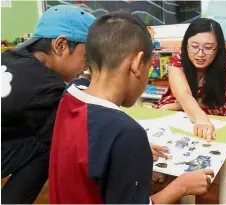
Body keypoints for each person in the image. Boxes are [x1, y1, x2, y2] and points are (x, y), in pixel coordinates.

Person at [49, 11, 214, 204]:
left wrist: (126, 150)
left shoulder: (71, 93)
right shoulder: (126, 133)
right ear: (137, 63)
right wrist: (181, 187)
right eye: (149, 66)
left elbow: (90, 145)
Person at [1, 5, 95, 204]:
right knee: (54, 141)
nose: (86, 66)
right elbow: (73, 140)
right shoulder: (44, 86)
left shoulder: (9, 57)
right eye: (86, 57)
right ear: (60, 45)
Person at [156, 18, 226, 141]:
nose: (200, 54)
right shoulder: (177, 62)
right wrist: (199, 116)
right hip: (181, 100)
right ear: (186, 45)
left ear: (218, 47)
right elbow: (184, 95)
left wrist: (177, 106)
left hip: (213, 102)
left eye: (208, 48)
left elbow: (218, 95)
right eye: (194, 46)